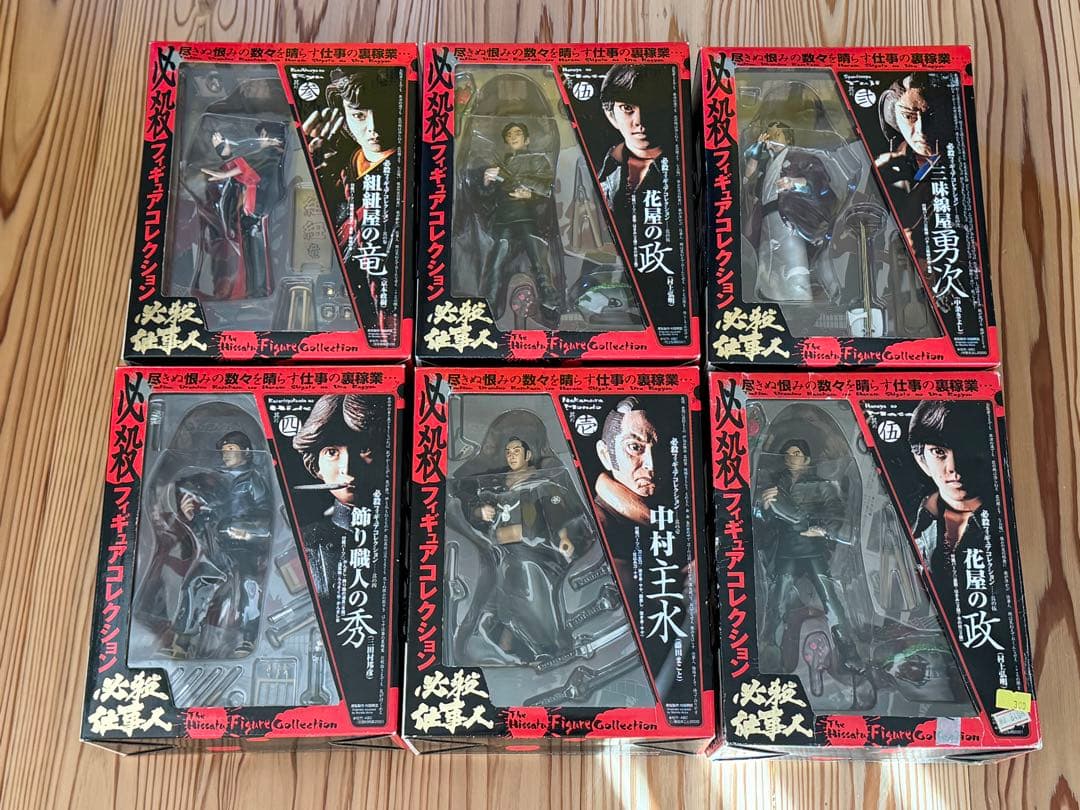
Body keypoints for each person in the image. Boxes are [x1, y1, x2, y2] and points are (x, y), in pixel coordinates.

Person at [462, 435, 585, 662]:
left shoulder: (541, 484)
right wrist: (481, 512)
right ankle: (510, 651)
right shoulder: (496, 486)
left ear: (528, 455)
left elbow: (557, 513)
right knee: (499, 609)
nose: (511, 455)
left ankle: (548, 648)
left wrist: (563, 537)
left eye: (516, 451)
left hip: (534, 553)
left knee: (529, 604)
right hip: (502, 553)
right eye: (508, 452)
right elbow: (475, 512)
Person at [754, 438, 858, 666]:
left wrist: (823, 530)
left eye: (797, 453)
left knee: (830, 598)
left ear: (807, 459)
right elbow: (761, 523)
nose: (792, 457)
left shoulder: (819, 485)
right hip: (786, 550)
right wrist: (763, 508)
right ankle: (767, 647)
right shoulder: (775, 486)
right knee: (777, 600)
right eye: (788, 453)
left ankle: (848, 652)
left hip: (812, 549)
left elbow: (835, 512)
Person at [292, 395, 386, 600]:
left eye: (364, 449)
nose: (348, 469)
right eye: (332, 452)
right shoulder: (305, 543)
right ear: (315, 466)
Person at [742, 121, 840, 302]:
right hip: (766, 220)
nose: (772, 138)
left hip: (788, 219)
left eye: (776, 134)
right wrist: (756, 148)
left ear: (788, 138)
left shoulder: (799, 158)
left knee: (794, 262)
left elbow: (818, 181)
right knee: (767, 265)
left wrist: (795, 182)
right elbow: (748, 178)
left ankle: (800, 300)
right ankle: (770, 301)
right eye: (769, 135)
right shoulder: (766, 165)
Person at [475, 122, 559, 323]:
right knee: (495, 262)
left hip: (527, 216)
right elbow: (485, 198)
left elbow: (546, 188)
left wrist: (529, 193)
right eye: (509, 134)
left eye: (518, 133)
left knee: (539, 261)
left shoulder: (537, 160)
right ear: (505, 141)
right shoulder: (499, 164)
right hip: (503, 218)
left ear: (527, 139)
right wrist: (486, 181)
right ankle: (490, 304)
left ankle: (550, 300)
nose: (513, 136)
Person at [199, 122, 286, 299]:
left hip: (262, 216)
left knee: (258, 256)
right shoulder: (270, 156)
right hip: (254, 216)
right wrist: (226, 158)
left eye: (263, 135)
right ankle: (256, 291)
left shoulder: (273, 155)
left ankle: (259, 292)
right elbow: (246, 171)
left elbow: (250, 170)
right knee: (252, 256)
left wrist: (226, 158)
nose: (261, 139)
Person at [907, 400, 992, 568]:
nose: (954, 467)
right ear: (921, 460)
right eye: (939, 452)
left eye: (965, 449)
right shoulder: (909, 522)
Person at [875, 74, 944, 243]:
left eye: (931, 115)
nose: (921, 130)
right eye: (908, 116)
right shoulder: (885, 165)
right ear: (893, 117)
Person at [596, 65, 669, 219]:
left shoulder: (681, 167)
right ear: (610, 114)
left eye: (650, 106)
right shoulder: (600, 169)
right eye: (627, 108)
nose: (639, 121)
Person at [593, 397, 659, 532]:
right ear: (605, 454)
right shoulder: (595, 525)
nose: (651, 464)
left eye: (660, 449)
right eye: (634, 447)